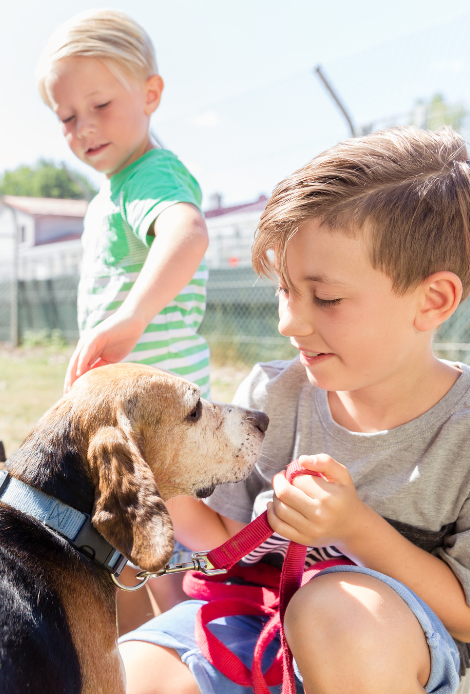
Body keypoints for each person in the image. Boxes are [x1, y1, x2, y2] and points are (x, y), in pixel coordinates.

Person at [120, 126, 470, 694]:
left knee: (334, 612)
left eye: (326, 298)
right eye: (285, 291)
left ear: (433, 300)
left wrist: (356, 528)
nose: (289, 322)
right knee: (131, 673)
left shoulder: (462, 433)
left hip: (376, 646)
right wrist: (160, 479)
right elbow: (226, 538)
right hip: (252, 618)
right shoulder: (272, 396)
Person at [35, 10, 211, 397]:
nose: (84, 127)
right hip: (138, 399)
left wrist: (133, 316)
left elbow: (187, 231)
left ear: (150, 95)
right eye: (67, 117)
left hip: (164, 407)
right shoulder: (113, 190)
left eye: (100, 105)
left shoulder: (150, 174)